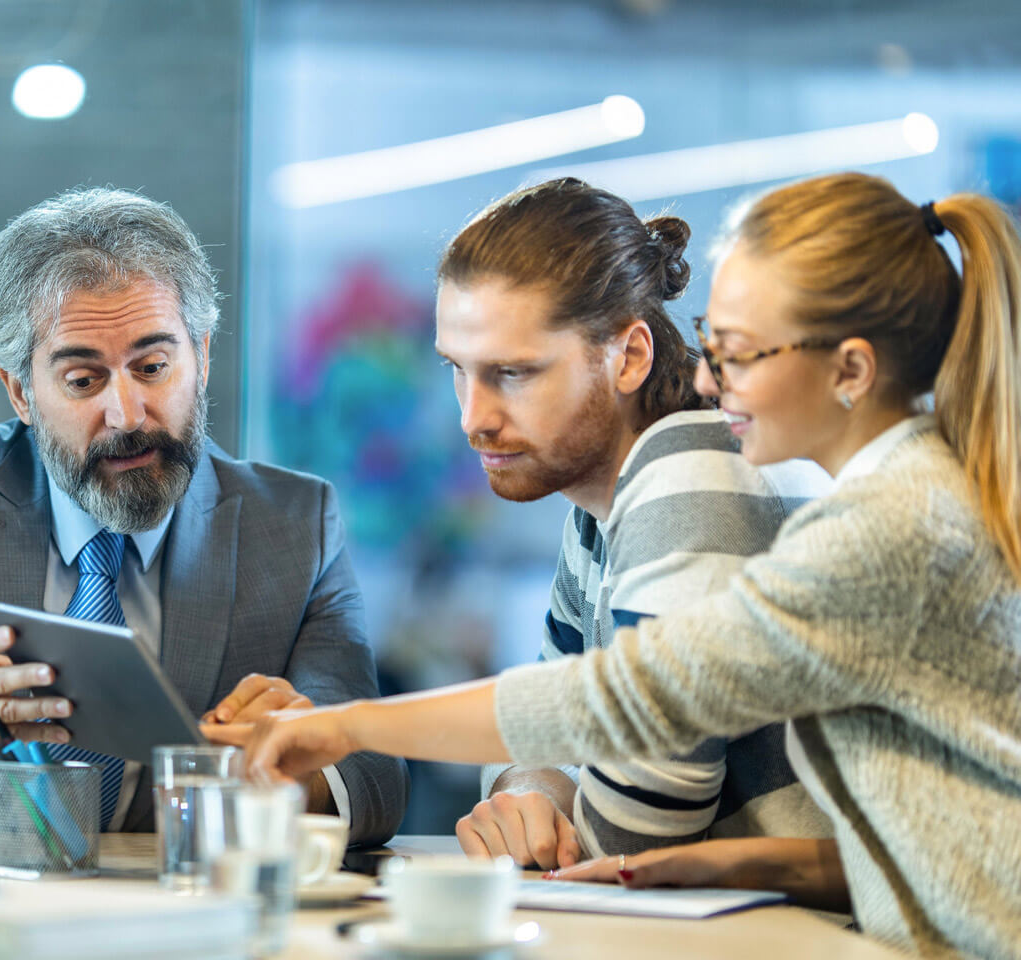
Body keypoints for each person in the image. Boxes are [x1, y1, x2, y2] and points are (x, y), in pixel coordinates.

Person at [211, 173, 1021, 958]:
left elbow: (631, 704)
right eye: (710, 343)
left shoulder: (879, 527)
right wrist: (723, 860)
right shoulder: (897, 502)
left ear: (849, 371)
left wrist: (342, 725)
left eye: (739, 353)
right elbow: (925, 818)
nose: (708, 380)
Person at [0, 187, 408, 842]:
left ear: (203, 357)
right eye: (83, 381)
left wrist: (290, 771)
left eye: (154, 367)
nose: (126, 414)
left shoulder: (295, 526)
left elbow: (375, 780)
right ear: (20, 390)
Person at [434, 178, 831, 869]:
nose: (473, 418)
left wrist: (552, 805)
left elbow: (638, 836)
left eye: (514, 374)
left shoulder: (698, 473)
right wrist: (528, 789)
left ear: (631, 356)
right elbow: (544, 724)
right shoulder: (602, 503)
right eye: (459, 372)